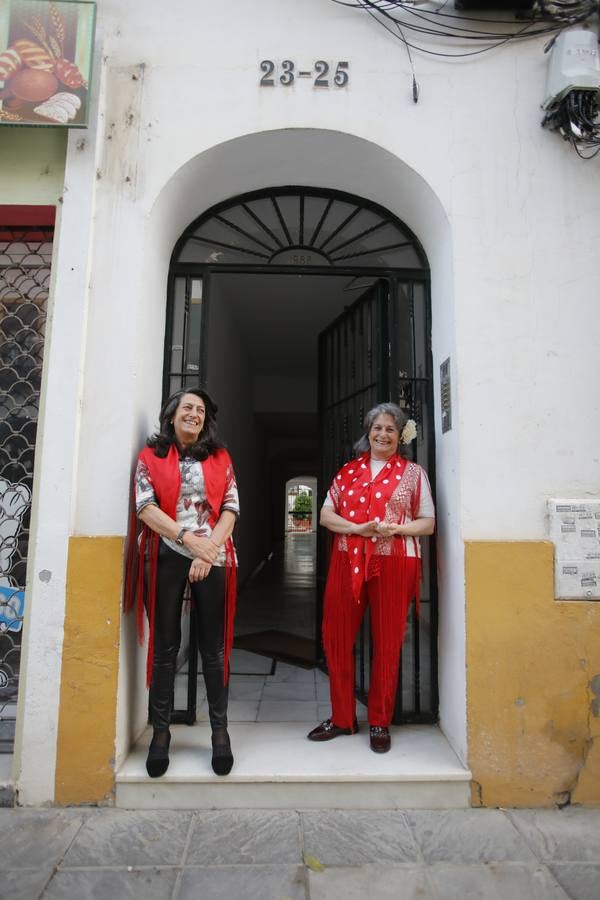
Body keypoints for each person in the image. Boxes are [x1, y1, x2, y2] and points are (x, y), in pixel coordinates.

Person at [308, 402, 434, 754]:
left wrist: (398, 529)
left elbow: (428, 522)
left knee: (389, 640)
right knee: (335, 636)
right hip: (348, 559)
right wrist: (356, 528)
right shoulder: (348, 472)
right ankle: (343, 718)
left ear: (400, 436)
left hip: (395, 563)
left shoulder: (413, 473)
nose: (382, 434)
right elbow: (325, 514)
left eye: (390, 429)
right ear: (368, 432)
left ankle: (379, 719)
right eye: (377, 428)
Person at [125, 388, 239, 778]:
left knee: (213, 649)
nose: (194, 414)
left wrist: (207, 551)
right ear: (172, 415)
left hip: (212, 550)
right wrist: (188, 541)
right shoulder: (149, 457)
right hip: (166, 551)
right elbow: (145, 508)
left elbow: (230, 510)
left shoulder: (220, 458)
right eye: (187, 408)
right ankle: (161, 734)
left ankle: (220, 733)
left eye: (201, 411)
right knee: (165, 647)